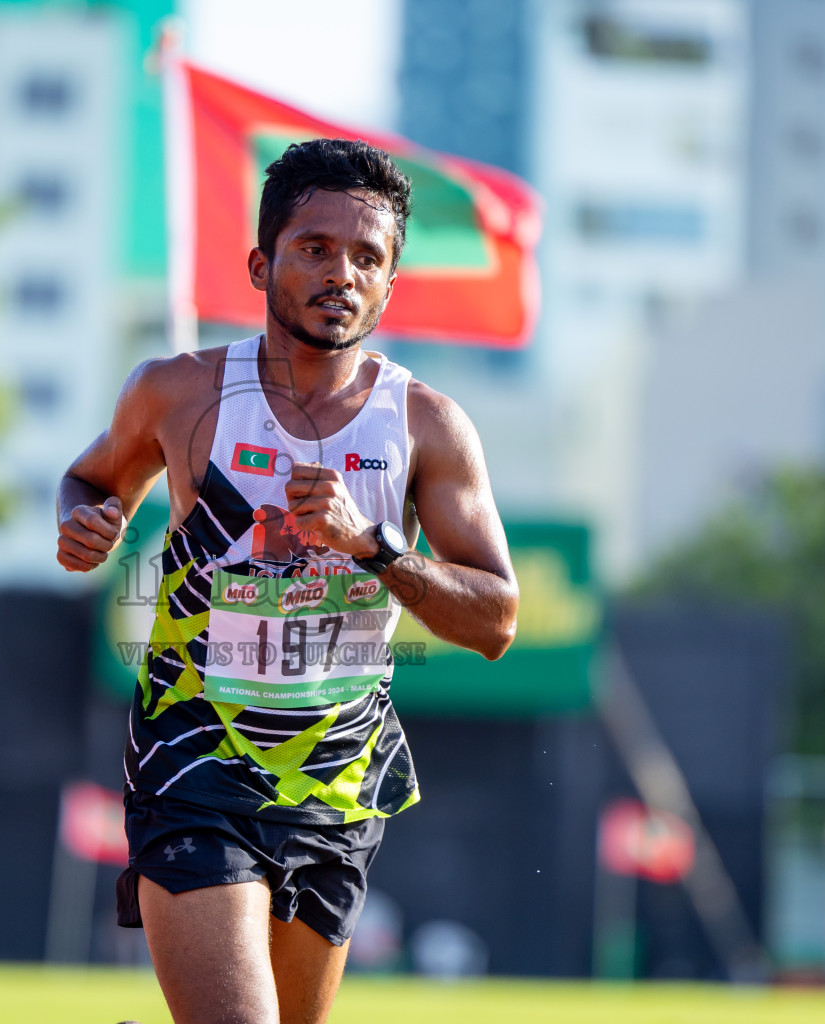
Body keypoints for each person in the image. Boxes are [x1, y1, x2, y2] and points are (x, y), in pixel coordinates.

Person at [56, 138, 519, 1024]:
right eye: (315, 248)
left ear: (390, 284)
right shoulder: (179, 392)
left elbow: (496, 620)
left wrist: (374, 547)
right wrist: (84, 523)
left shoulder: (426, 425)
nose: (341, 272)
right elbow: (90, 478)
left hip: (335, 780)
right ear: (262, 265)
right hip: (195, 755)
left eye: (367, 257)